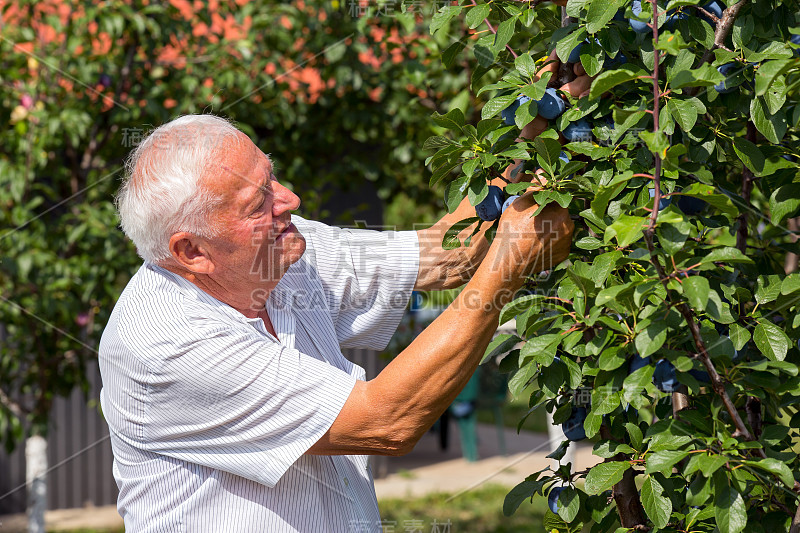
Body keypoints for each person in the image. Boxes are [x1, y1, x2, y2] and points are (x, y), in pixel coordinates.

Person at [99, 63, 584, 532]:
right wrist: (510, 264)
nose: (289, 200)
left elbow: (444, 255)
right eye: (259, 201)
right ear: (192, 251)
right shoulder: (165, 345)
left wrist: (532, 119)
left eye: (271, 177)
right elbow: (386, 421)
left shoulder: (283, 250)